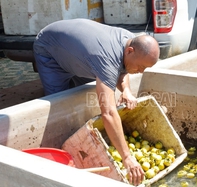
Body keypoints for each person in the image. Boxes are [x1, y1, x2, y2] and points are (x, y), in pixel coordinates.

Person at [33, 18, 160, 186]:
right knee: (60, 102)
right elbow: (108, 113)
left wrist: (126, 90)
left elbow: (123, 68)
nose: (141, 72)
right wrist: (127, 157)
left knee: (84, 89)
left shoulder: (130, 41)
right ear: (130, 50)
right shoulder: (106, 59)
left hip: (76, 50)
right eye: (140, 67)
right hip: (49, 49)